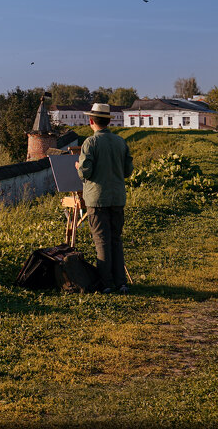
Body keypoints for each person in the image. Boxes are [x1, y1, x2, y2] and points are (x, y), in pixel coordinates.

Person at [76, 103, 134, 294]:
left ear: (91, 121)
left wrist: (78, 167)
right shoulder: (120, 142)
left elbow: (85, 172)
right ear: (108, 121)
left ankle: (106, 284)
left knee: (101, 241)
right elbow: (128, 171)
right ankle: (121, 283)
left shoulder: (90, 143)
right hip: (117, 198)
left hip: (97, 199)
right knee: (116, 240)